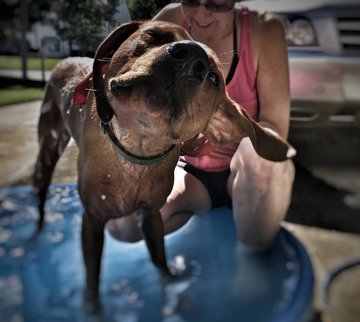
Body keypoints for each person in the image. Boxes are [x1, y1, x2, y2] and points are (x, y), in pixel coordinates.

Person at [108, 0, 295, 249]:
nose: (202, 14)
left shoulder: (265, 29)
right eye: (192, 1)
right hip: (188, 174)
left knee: (265, 161)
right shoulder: (170, 19)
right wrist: (180, 143)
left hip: (244, 173)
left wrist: (235, 128)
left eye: (217, 4)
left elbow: (276, 127)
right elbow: (132, 96)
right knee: (125, 227)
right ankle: (196, 217)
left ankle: (249, 257)